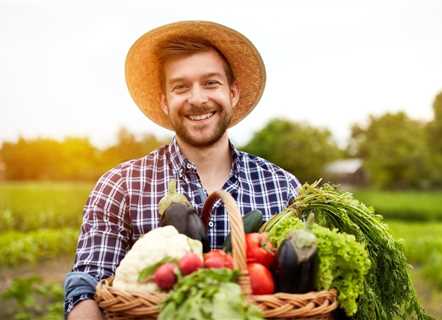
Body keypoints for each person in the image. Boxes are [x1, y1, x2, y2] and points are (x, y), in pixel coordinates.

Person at [64, 20, 300, 319]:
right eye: (181, 87)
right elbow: (86, 286)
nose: (197, 99)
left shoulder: (282, 186)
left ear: (233, 93)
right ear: (164, 101)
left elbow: (305, 290)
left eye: (211, 83)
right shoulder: (120, 185)